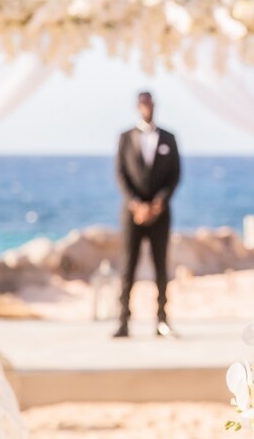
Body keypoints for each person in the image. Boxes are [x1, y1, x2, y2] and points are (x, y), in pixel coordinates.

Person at [113, 91, 181, 338]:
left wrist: (158, 203)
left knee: (161, 266)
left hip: (160, 214)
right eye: (143, 104)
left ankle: (162, 319)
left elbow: (175, 175)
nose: (146, 108)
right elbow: (121, 173)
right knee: (128, 265)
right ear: (137, 107)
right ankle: (123, 321)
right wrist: (136, 204)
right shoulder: (125, 137)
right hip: (133, 213)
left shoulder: (169, 138)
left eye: (149, 104)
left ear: (154, 106)